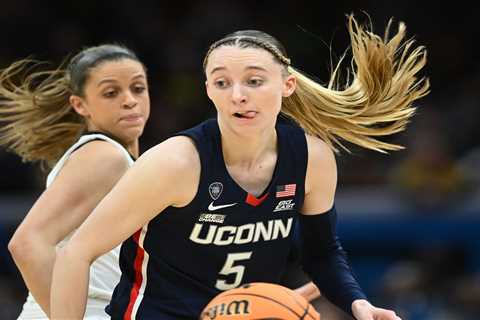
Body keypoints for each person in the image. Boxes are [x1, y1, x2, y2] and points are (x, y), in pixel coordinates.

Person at [50, 15, 429, 320]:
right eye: (222, 82)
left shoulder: (312, 159)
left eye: (254, 80)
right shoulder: (176, 163)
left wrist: (359, 305)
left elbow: (322, 253)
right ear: (209, 90)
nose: (238, 95)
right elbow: (75, 253)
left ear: (287, 85)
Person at [1, 44, 150, 319]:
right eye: (111, 92)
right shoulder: (105, 156)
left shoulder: (111, 157)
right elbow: (27, 244)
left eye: (138, 88)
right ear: (79, 104)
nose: (130, 100)